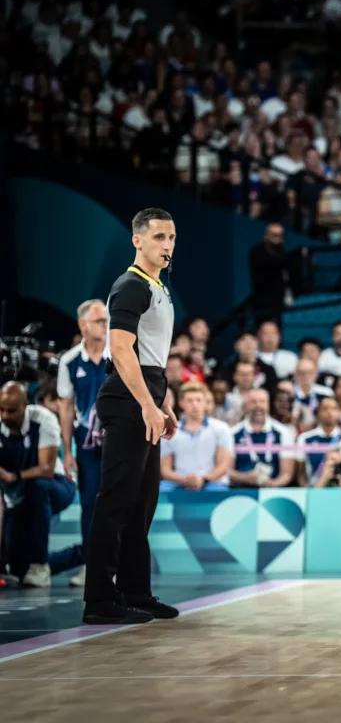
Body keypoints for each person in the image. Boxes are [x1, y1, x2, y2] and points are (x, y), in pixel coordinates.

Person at [83, 207, 181, 625]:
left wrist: (165, 403)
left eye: (172, 238)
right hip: (126, 399)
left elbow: (154, 354)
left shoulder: (158, 286)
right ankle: (100, 600)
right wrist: (146, 405)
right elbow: (121, 350)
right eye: (158, 237)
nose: (167, 245)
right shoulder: (131, 286)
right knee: (116, 501)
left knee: (142, 503)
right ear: (137, 240)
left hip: (146, 393)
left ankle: (135, 592)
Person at [0, 382, 81, 586]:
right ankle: (87, 554)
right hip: (17, 496)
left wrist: (13, 477)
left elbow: (46, 468)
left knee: (37, 487)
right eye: (1, 409)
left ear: (25, 404)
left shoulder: (43, 419)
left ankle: (39, 564)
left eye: (11, 410)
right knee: (19, 569)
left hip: (57, 485)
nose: (5, 416)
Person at [55, 298, 109, 588]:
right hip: (85, 443)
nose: (105, 325)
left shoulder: (119, 353)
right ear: (83, 325)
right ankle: (92, 565)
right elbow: (65, 408)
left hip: (117, 440)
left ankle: (117, 566)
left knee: (120, 502)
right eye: (99, 321)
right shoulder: (70, 361)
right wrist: (67, 452)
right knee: (90, 503)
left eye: (106, 320)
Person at [160, 382, 234, 490]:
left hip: (211, 482)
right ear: (181, 403)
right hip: (178, 481)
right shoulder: (171, 430)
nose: (195, 404)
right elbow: (165, 470)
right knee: (162, 489)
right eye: (190, 400)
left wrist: (203, 480)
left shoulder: (222, 428)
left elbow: (223, 466)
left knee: (217, 489)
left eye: (199, 400)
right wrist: (184, 480)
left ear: (205, 403)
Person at [230, 388, 298, 487]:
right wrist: (244, 477)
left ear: (268, 405)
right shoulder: (232, 433)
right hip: (241, 490)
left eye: (262, 402)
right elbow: (227, 470)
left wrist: (272, 484)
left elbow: (287, 474)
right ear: (245, 406)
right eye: (253, 402)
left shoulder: (283, 432)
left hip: (274, 491)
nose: (258, 406)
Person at [297, 397, 341, 484]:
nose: (329, 413)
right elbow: (301, 473)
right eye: (325, 409)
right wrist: (306, 491)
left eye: (334, 409)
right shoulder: (305, 438)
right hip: (315, 487)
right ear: (318, 413)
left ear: (339, 413)